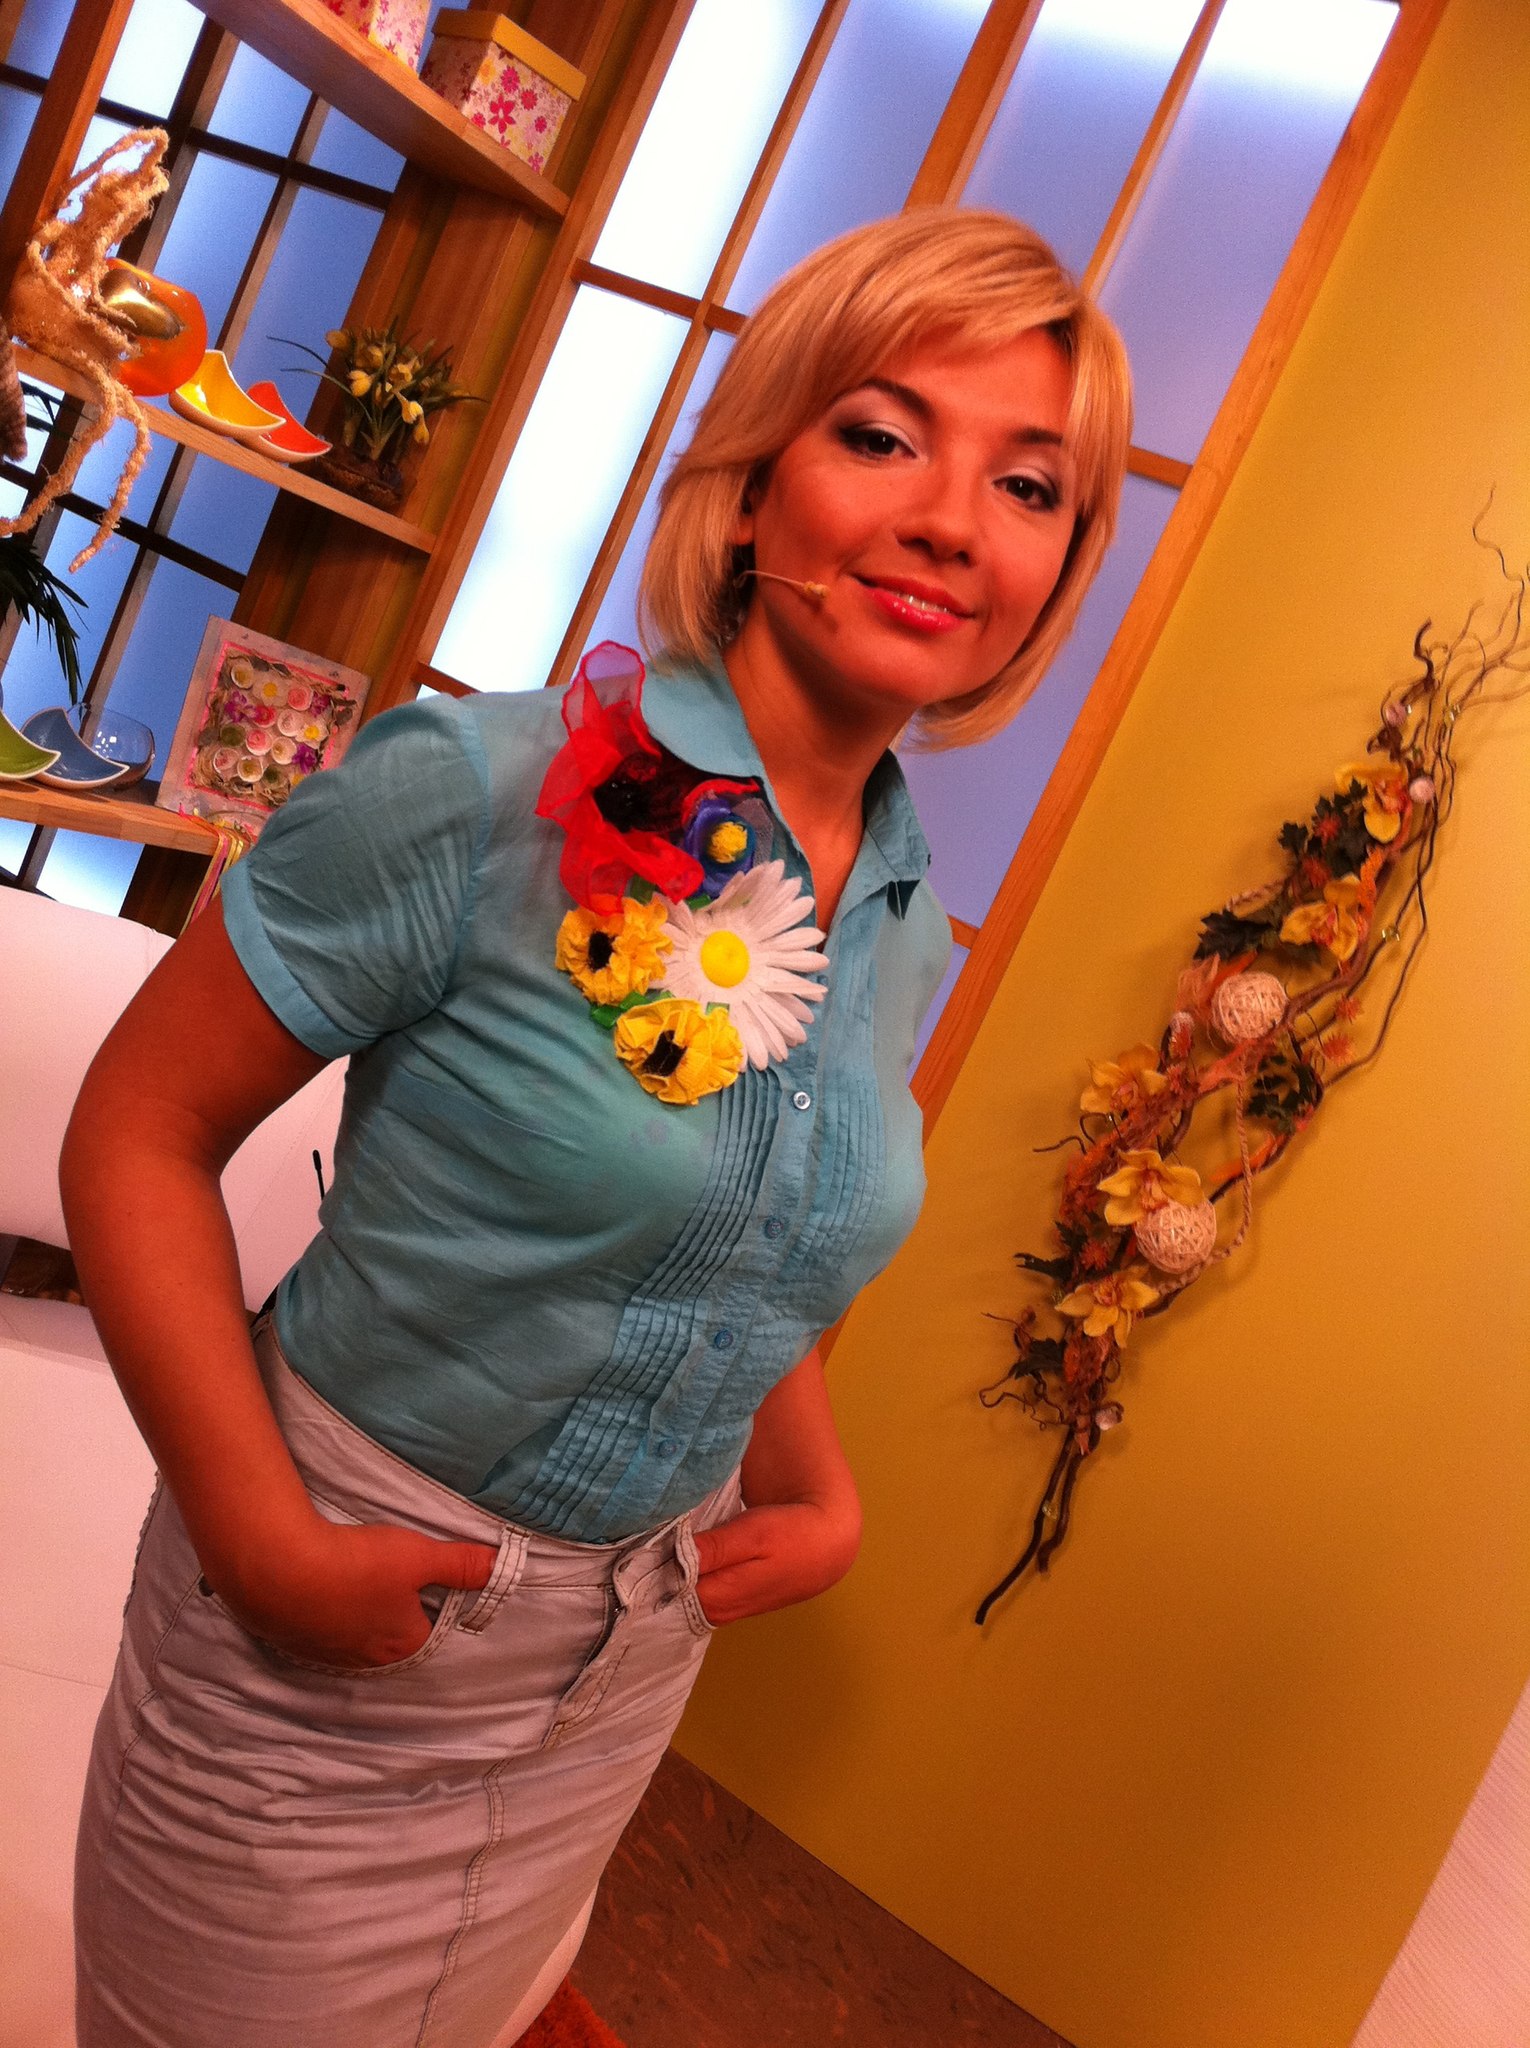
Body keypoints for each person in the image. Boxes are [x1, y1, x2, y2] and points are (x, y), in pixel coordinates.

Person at [61, 208, 1130, 2047]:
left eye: (1030, 487)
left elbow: (756, 1249)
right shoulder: (471, 789)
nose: (956, 520)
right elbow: (135, 1132)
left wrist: (820, 1495)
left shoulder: (899, 917)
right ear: (752, 485)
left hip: (621, 1673)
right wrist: (259, 1536)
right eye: (882, 436)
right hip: (331, 1629)